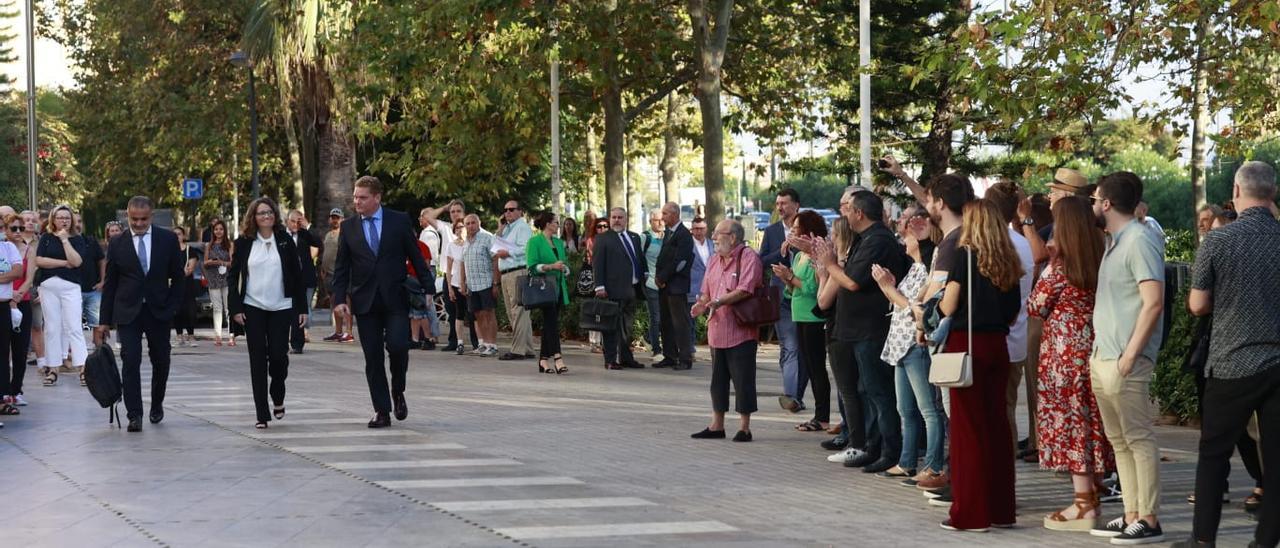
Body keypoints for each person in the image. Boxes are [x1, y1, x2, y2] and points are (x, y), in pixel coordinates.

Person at [1178, 161, 1280, 548]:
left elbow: (1198, 304)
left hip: (1233, 361)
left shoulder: (1218, 242)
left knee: (1214, 454)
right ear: (1272, 193)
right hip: (1278, 362)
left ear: (1237, 192)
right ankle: (1266, 540)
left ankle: (1203, 539)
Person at [1025, 196, 1115, 531]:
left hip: (1062, 356)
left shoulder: (1061, 267)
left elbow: (1036, 305)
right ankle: (1091, 494)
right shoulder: (1101, 258)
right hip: (1091, 347)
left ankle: (1082, 504)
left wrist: (1048, 263)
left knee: (1071, 426)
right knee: (1088, 424)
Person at [1087, 171, 1166, 544]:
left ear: (1106, 203)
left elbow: (1153, 302)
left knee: (1137, 438)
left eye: (1094, 199)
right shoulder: (1115, 241)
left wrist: (1130, 356)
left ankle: (1148, 518)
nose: (1092, 206)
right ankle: (1132, 512)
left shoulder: (1138, 240)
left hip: (1125, 359)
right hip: (1105, 355)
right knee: (1119, 439)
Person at [936, 199, 1023, 533]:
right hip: (997, 346)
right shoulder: (1008, 261)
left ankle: (970, 513)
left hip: (966, 345)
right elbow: (1013, 313)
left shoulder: (964, 256)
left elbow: (948, 306)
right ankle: (1002, 509)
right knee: (997, 427)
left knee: (967, 431)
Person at [811, 189, 909, 474]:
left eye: (848, 209)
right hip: (857, 330)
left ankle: (890, 451)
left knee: (879, 393)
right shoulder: (866, 239)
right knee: (867, 391)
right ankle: (872, 447)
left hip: (870, 330)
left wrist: (830, 264)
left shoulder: (878, 239)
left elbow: (852, 282)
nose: (844, 214)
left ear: (859, 213)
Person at [331, 176, 432, 428]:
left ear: (377, 197)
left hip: (395, 297)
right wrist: (338, 299)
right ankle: (382, 410)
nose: (357, 202)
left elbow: (415, 256)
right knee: (373, 357)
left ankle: (398, 390)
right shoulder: (349, 227)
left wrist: (428, 288)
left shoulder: (398, 220)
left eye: (362, 197)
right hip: (365, 302)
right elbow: (341, 267)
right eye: (355, 197)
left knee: (398, 347)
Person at [870, 207, 945, 480]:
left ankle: (933, 465)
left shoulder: (931, 268)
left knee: (929, 410)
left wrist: (888, 288)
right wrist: (890, 288)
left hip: (917, 344)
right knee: (906, 410)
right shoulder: (914, 268)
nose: (904, 240)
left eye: (909, 236)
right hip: (901, 345)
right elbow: (903, 303)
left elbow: (917, 308)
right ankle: (907, 461)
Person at [98, 196, 184, 432]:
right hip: (128, 312)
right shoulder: (117, 243)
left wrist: (173, 307)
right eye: (133, 219)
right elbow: (110, 284)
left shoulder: (167, 239)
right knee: (130, 361)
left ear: (151, 216)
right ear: (127, 216)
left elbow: (178, 277)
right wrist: (104, 321)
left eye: (143, 219)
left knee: (161, 360)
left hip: (159, 310)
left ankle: (157, 403)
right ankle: (134, 414)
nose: (138, 224)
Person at [228, 198, 308, 429]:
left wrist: (301, 308)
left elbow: (297, 275)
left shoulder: (284, 240)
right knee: (257, 360)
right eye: (261, 213)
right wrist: (235, 308)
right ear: (253, 217)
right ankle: (261, 413)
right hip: (253, 307)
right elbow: (233, 277)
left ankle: (278, 393)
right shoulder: (244, 243)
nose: (266, 216)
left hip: (281, 307)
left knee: (278, 357)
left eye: (270, 212)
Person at [690, 219, 762, 442]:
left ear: (732, 237)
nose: (713, 237)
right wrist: (701, 304)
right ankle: (717, 425)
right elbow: (706, 291)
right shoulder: (713, 260)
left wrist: (720, 301)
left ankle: (744, 428)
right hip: (717, 330)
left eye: (717, 233)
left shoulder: (748, 257)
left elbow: (745, 289)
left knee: (743, 381)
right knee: (718, 381)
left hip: (741, 330)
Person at [985, 182, 1036, 461]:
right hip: (1015, 341)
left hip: (997, 340)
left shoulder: (997, 243)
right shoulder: (1022, 243)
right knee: (1005, 410)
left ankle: (1000, 479)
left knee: (996, 415)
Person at [771, 210, 832, 433]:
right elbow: (792, 291)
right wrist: (786, 277)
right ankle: (817, 413)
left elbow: (813, 287)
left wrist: (791, 278)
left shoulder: (818, 255)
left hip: (813, 316)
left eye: (797, 230)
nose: (793, 233)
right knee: (806, 363)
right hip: (798, 313)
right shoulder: (798, 257)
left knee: (816, 367)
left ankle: (822, 415)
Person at [759, 189, 807, 412]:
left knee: (801, 348)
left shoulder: (807, 229)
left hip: (804, 294)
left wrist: (797, 245)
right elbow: (762, 261)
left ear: (796, 205)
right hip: (781, 296)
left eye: (785, 204)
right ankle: (792, 395)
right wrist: (781, 252)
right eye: (778, 204)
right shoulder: (771, 231)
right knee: (789, 347)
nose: (780, 208)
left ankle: (796, 393)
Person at [35, 205, 90, 385]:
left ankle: (82, 367)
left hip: (70, 287)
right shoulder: (46, 238)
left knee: (74, 327)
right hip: (48, 286)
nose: (64, 221)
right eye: (60, 218)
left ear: (72, 220)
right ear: (53, 219)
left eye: (67, 217)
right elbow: (39, 260)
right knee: (51, 328)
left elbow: (77, 262)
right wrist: (63, 263)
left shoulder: (77, 239)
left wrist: (65, 240)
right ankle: (53, 369)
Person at [592, 207, 645, 370]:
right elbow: (598, 263)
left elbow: (638, 258)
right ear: (610, 219)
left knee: (626, 327)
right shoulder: (603, 239)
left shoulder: (634, 237)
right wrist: (599, 286)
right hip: (612, 289)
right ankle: (610, 360)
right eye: (613, 217)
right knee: (611, 326)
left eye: (620, 217)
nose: (616, 220)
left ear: (626, 219)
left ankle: (626, 358)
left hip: (632, 288)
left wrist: (645, 273)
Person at [424, 200, 478, 353]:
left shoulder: (470, 229)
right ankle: (454, 341)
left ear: (464, 212)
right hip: (450, 276)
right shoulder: (446, 227)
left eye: (458, 211)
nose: (455, 214)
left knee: (471, 311)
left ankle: (476, 342)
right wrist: (444, 207)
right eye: (452, 211)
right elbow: (427, 216)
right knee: (452, 311)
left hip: (467, 276)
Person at [526, 211, 570, 374]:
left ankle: (543, 360)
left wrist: (564, 269)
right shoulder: (534, 241)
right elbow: (531, 266)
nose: (558, 225)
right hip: (544, 287)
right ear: (547, 224)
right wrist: (551, 267)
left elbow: (564, 265)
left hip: (558, 288)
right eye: (556, 222)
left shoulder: (559, 243)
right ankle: (558, 358)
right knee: (552, 322)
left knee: (550, 323)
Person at [655, 202, 694, 370]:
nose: (662, 217)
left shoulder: (683, 234)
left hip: (676, 286)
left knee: (680, 323)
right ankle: (669, 355)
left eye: (665, 214)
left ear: (674, 214)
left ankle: (685, 358)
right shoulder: (669, 233)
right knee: (666, 322)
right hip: (665, 287)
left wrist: (663, 277)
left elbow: (680, 261)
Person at [495, 199, 535, 361]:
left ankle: (518, 350)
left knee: (518, 311)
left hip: (517, 271)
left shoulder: (522, 227)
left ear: (520, 211)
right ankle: (528, 348)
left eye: (512, 209)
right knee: (516, 312)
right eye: (506, 210)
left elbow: (526, 247)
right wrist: (499, 228)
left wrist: (509, 253)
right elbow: (494, 244)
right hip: (506, 272)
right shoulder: (507, 229)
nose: (508, 213)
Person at [459, 214, 500, 357]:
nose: (470, 226)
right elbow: (463, 263)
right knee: (478, 315)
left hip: (486, 282)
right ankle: (484, 344)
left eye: (473, 223)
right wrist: (462, 283)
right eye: (468, 224)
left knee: (489, 313)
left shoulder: (488, 237)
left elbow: (495, 260)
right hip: (472, 284)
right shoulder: (466, 242)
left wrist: (495, 283)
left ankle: (493, 345)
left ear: (479, 223)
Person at [3, 213, 32, 407]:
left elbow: (27, 276)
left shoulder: (27, 250)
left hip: (23, 300)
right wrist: (10, 296)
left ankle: (16, 389)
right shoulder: (4, 249)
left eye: (20, 229)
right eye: (13, 228)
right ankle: (4, 392)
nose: (18, 232)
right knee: (4, 350)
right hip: (5, 300)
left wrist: (18, 295)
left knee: (21, 349)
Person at [286, 210, 322, 354]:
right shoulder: (280, 235)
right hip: (287, 279)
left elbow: (318, 242)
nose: (296, 224)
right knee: (287, 312)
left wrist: (307, 226)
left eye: (298, 221)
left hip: (304, 279)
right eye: (293, 221)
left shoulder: (305, 234)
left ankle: (297, 344)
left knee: (300, 311)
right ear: (287, 221)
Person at [0, 217, 22, 416]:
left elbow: (17, 271)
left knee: (3, 352)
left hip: (3, 305)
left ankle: (3, 397)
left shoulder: (9, 248)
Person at [73, 213, 106, 345]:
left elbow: (102, 260)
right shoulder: (64, 243)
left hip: (93, 290)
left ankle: (100, 352)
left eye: (80, 221)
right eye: (74, 222)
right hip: (73, 291)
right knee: (73, 325)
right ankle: (75, 356)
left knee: (98, 323)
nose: (77, 225)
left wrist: (102, 281)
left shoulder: (91, 241)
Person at [321, 208, 354, 343]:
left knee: (345, 302)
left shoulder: (346, 234)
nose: (335, 220)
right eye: (333, 217)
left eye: (337, 218)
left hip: (341, 274)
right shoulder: (328, 235)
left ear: (342, 219)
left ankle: (349, 332)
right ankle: (338, 331)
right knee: (334, 304)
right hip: (328, 274)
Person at [444, 219, 476, 356]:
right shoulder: (451, 246)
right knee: (459, 313)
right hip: (457, 283)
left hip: (472, 283)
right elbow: (449, 269)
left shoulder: (471, 243)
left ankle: (478, 343)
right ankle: (460, 343)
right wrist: (450, 288)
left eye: (461, 227)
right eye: (457, 228)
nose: (460, 230)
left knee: (474, 314)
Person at [687, 217, 714, 359]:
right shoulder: (687, 245)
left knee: (716, 318)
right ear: (692, 230)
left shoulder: (713, 245)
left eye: (701, 228)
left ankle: (716, 347)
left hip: (712, 289)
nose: (699, 232)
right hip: (693, 287)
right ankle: (690, 350)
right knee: (691, 320)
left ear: (706, 229)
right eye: (696, 229)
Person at [203, 219, 233, 347]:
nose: (218, 232)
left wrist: (221, 262)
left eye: (221, 229)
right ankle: (218, 336)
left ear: (224, 230)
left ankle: (231, 335)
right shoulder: (208, 246)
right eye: (216, 229)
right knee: (217, 308)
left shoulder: (229, 244)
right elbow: (205, 262)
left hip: (226, 278)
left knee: (228, 308)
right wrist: (211, 262)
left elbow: (232, 263)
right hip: (213, 278)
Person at [641, 208, 664, 363]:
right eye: (657, 220)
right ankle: (656, 350)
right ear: (651, 221)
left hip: (665, 284)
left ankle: (648, 337)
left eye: (663, 219)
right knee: (655, 317)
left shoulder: (667, 237)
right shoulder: (645, 237)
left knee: (663, 317)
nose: (661, 222)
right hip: (650, 283)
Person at [584, 215, 610, 354]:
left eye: (605, 226)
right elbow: (593, 259)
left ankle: (608, 342)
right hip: (595, 278)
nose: (602, 229)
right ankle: (594, 342)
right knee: (596, 310)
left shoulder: (613, 239)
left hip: (611, 279)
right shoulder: (591, 240)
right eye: (599, 226)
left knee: (607, 311)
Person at [171, 227, 201, 348]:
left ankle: (191, 335)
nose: (176, 236)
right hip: (174, 285)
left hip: (187, 285)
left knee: (190, 311)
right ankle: (179, 336)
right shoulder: (169, 251)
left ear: (183, 236)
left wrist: (176, 273)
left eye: (179, 234)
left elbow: (190, 269)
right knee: (176, 310)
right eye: (174, 234)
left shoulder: (190, 250)